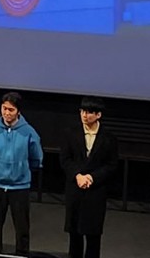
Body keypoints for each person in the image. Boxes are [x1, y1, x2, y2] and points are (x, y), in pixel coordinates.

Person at [0, 91, 43, 257]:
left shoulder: (28, 132)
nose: (7, 113)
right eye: (4, 108)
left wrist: (21, 171)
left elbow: (36, 158)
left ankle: (21, 254)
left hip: (20, 187)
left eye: (11, 110)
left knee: (22, 227)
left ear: (18, 111)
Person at [59, 96, 118, 258]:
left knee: (93, 236)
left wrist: (92, 177)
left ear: (98, 115)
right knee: (74, 235)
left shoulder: (109, 137)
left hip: (96, 192)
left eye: (90, 112)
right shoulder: (70, 133)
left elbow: (112, 165)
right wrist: (77, 175)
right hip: (75, 189)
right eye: (83, 111)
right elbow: (65, 159)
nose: (85, 115)